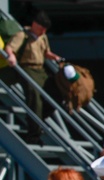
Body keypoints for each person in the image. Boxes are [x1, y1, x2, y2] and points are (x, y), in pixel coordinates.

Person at [1, 11, 61, 143]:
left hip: (40, 69)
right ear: (35, 24)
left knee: (55, 93)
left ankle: (40, 119)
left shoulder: (43, 37)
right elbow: (10, 48)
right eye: (41, 28)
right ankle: (34, 131)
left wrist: (55, 57)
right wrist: (11, 56)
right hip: (27, 68)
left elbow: (46, 52)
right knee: (35, 98)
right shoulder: (22, 35)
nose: (43, 31)